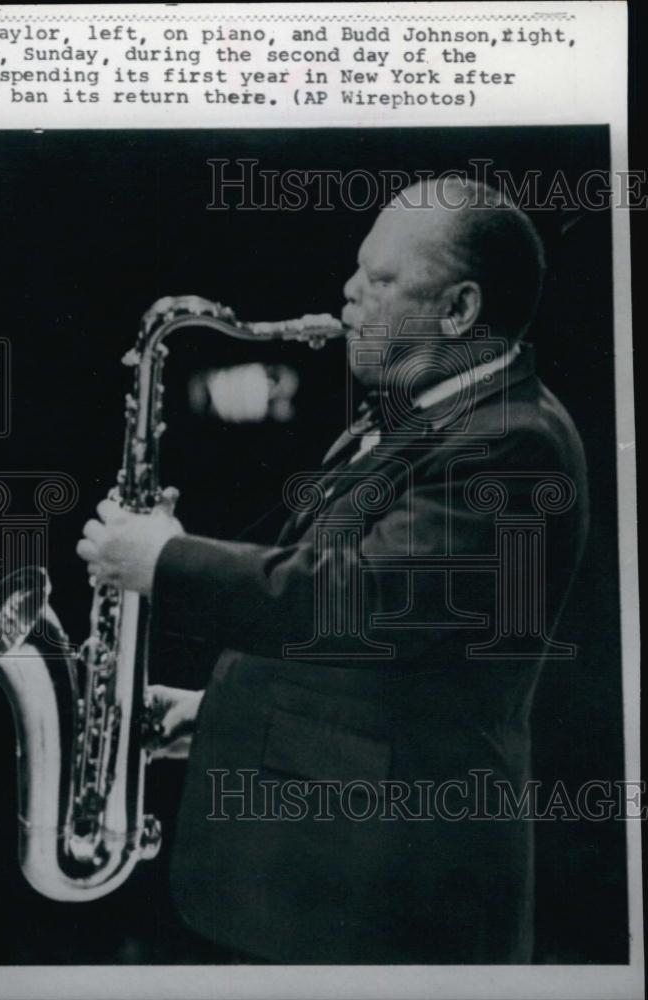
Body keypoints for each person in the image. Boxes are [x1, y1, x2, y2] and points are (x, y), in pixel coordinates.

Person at [77, 178, 589, 963]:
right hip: (333, 878)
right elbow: (396, 660)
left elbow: (356, 599)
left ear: (458, 311)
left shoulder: (509, 444)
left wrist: (164, 560)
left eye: (379, 280)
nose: (347, 295)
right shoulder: (434, 410)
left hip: (380, 899)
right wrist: (219, 714)